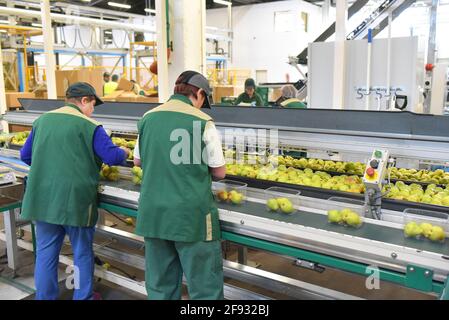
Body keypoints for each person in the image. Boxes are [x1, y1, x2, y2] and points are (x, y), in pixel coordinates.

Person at [20, 82, 130, 300]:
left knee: (45, 254)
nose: (93, 111)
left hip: (43, 200)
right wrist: (124, 151)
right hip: (75, 202)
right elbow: (112, 157)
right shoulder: (90, 126)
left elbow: (25, 155)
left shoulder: (42, 121)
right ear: (84, 101)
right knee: (81, 253)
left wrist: (49, 168)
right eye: (93, 105)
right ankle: (83, 297)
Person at [133, 70, 226, 300]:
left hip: (154, 214)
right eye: (204, 101)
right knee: (205, 288)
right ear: (200, 94)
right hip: (191, 217)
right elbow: (220, 172)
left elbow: (137, 161)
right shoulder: (202, 122)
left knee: (160, 286)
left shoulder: (148, 117)